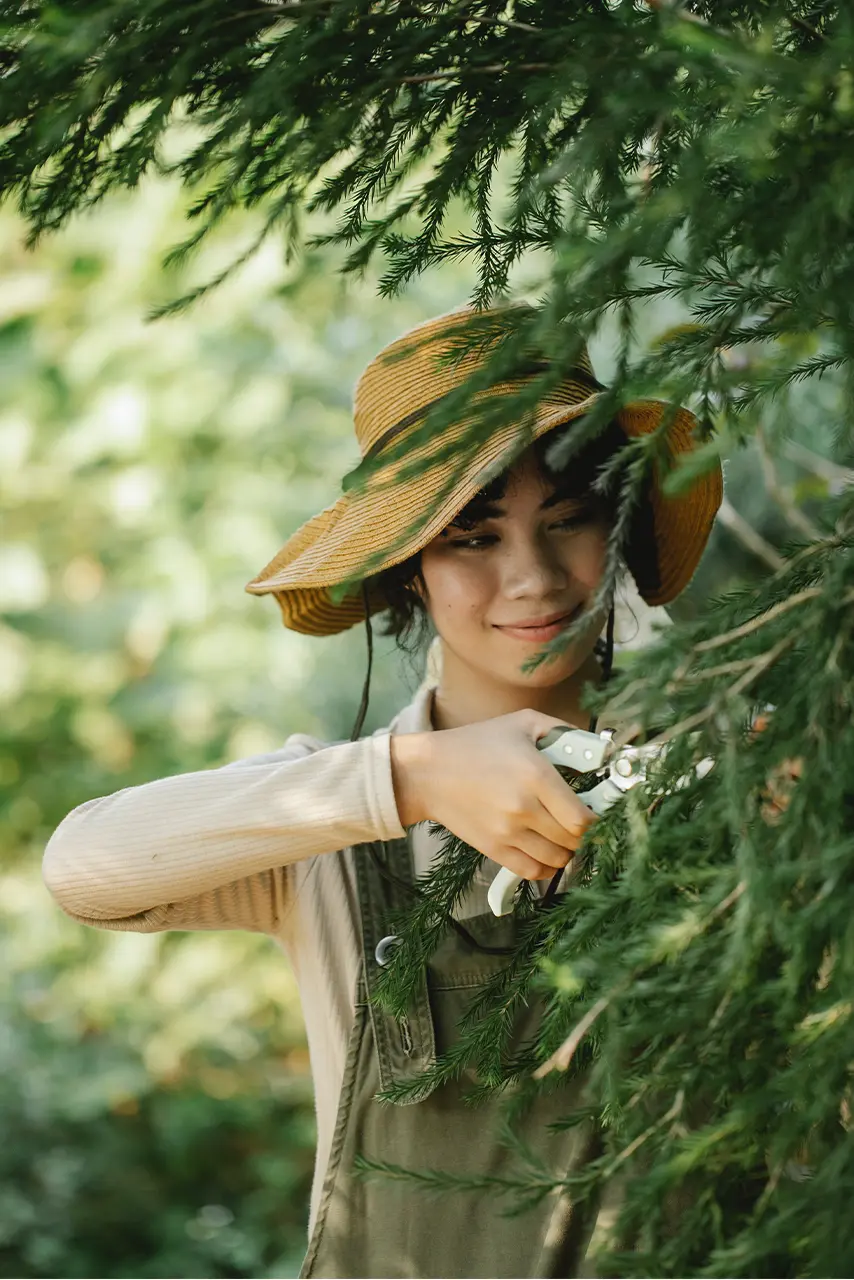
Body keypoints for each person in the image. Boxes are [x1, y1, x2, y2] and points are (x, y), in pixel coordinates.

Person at [42, 306, 722, 1278]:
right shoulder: (334, 821)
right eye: (472, 538)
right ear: (408, 573)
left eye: (566, 520)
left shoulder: (716, 783)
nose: (530, 577)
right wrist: (411, 776)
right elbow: (82, 867)